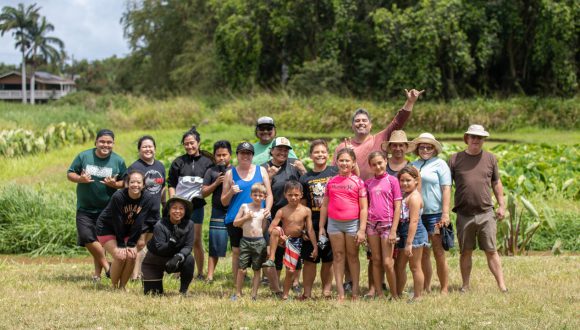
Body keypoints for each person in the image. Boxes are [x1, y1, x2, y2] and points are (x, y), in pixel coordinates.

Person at [449, 125, 507, 293]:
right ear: (466, 138)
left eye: (479, 137)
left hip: (486, 213)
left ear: (483, 140)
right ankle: (465, 285)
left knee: (491, 250)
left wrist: (502, 205)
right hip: (464, 214)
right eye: (473, 137)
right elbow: (446, 186)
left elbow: (496, 182)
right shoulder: (454, 159)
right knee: (465, 251)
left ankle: (502, 286)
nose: (476, 140)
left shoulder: (490, 158)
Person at [67, 129, 126, 281]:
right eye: (102, 141)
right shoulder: (84, 156)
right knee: (88, 238)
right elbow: (70, 173)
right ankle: (108, 267)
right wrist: (80, 179)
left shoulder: (118, 161)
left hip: (108, 209)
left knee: (101, 241)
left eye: (109, 142)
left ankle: (97, 275)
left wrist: (115, 184)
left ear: (113, 144)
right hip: (85, 208)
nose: (105, 145)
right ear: (96, 142)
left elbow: (125, 182)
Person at [333, 89, 424, 181]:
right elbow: (333, 173)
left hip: (376, 191)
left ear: (370, 125)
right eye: (357, 121)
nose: (361, 123)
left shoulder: (380, 138)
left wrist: (410, 102)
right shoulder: (343, 147)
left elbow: (398, 121)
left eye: (364, 120)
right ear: (352, 126)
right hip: (351, 192)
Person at [221, 142, 273, 288]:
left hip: (258, 218)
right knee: (237, 252)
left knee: (264, 250)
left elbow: (269, 194)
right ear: (237, 155)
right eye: (242, 153)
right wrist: (231, 192)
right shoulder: (230, 173)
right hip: (236, 218)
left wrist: (268, 209)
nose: (245, 156)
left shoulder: (261, 171)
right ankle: (237, 284)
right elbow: (224, 202)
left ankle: (265, 281)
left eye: (248, 153)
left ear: (252, 155)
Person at [319, 148, 368, 301]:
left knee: (353, 257)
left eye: (348, 160)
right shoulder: (331, 182)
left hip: (352, 224)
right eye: (341, 160)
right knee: (338, 256)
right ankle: (340, 292)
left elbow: (364, 208)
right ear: (336, 162)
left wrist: (362, 229)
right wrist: (321, 226)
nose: (344, 163)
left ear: (353, 163)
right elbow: (325, 205)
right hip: (334, 224)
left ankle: (355, 291)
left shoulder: (358, 182)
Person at [96, 170, 158, 290]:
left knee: (131, 256)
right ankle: (114, 287)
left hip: (126, 230)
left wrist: (131, 244)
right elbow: (117, 220)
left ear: (143, 185)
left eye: (139, 182)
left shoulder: (147, 198)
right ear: (127, 184)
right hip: (107, 228)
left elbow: (139, 220)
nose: (135, 185)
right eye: (132, 182)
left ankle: (122, 287)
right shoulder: (118, 196)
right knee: (120, 256)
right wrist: (120, 245)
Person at [167, 126, 214, 280]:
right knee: (178, 239)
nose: (189, 146)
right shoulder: (178, 162)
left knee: (196, 240)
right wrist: (173, 202)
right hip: (179, 208)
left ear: (198, 143)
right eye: (186, 144)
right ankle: (178, 271)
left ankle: (200, 273)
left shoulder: (207, 162)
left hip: (196, 207)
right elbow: (171, 184)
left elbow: (210, 185)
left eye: (192, 143)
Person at [261, 137, 306, 288]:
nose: (282, 152)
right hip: (272, 214)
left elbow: (306, 187)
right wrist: (269, 176)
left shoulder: (294, 165)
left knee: (295, 247)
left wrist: (303, 170)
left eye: (286, 150)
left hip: (293, 215)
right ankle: (272, 280)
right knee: (273, 249)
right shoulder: (263, 168)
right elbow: (257, 191)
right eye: (279, 149)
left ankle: (295, 282)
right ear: (271, 150)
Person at [411, 133, 451, 294]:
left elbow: (446, 188)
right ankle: (426, 286)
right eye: (422, 147)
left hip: (435, 214)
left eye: (429, 147)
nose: (425, 149)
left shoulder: (440, 164)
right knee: (424, 252)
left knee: (438, 252)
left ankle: (444, 288)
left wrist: (445, 213)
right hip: (418, 215)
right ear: (417, 149)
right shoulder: (413, 164)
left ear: (434, 149)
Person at [263, 181, 317, 300]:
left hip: (295, 242)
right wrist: (281, 237)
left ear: (301, 195)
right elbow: (271, 228)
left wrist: (315, 246)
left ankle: (285, 295)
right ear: (285, 195)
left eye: (296, 195)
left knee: (291, 271)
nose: (293, 197)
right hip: (283, 239)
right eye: (290, 195)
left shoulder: (306, 210)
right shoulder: (281, 211)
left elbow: (310, 230)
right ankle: (271, 259)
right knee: (276, 230)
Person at [299, 139, 336, 299]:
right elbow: (302, 206)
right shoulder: (305, 178)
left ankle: (326, 291)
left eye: (323, 152)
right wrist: (303, 228)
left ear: (328, 154)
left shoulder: (335, 173)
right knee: (310, 259)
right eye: (316, 152)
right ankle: (307, 292)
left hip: (332, 223)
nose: (320, 155)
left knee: (328, 259)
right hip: (312, 225)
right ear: (311, 156)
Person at [364, 151, 402, 299]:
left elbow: (397, 206)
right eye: (374, 164)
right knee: (376, 260)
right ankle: (379, 293)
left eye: (380, 163)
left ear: (386, 161)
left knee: (387, 262)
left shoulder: (393, 181)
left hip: (388, 225)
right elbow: (365, 206)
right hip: (371, 225)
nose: (378, 166)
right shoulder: (368, 183)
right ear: (370, 167)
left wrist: (394, 230)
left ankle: (394, 294)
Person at [128, 135, 166, 280]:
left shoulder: (160, 166)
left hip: (155, 212)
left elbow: (162, 188)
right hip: (140, 212)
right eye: (144, 147)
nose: (148, 149)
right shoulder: (134, 167)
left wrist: (164, 205)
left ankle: (143, 272)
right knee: (140, 242)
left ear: (155, 149)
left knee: (149, 244)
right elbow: (128, 190)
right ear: (139, 150)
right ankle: (134, 275)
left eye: (150, 146)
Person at [141, 196, 195, 296]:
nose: (177, 211)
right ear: (169, 210)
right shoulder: (159, 225)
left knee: (189, 259)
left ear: (185, 211)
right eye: (174, 208)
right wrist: (172, 241)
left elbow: (188, 246)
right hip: (154, 261)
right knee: (153, 294)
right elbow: (160, 249)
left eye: (181, 208)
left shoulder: (190, 224)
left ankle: (183, 291)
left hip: (175, 259)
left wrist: (178, 256)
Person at [395, 166, 429, 301]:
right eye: (402, 180)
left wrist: (409, 243)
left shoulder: (414, 197)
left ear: (416, 181)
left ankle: (418, 296)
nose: (404, 183)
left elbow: (414, 221)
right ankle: (398, 293)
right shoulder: (405, 194)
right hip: (404, 232)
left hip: (414, 234)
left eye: (408, 180)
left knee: (415, 266)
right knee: (400, 265)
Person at [231, 183, 269, 301]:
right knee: (242, 269)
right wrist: (245, 218)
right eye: (255, 195)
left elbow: (263, 228)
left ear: (264, 197)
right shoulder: (244, 207)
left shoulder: (264, 211)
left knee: (257, 269)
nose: (257, 197)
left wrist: (260, 237)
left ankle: (254, 294)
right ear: (251, 195)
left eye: (260, 195)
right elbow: (235, 223)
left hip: (259, 241)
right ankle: (238, 293)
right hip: (245, 241)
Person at [202, 140, 232, 282]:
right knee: (215, 244)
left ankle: (241, 274)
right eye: (218, 155)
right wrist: (216, 183)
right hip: (217, 211)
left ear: (230, 155)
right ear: (214, 156)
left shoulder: (236, 171)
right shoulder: (211, 171)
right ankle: (209, 276)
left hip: (235, 211)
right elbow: (203, 193)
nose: (221, 158)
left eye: (224, 155)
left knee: (239, 246)